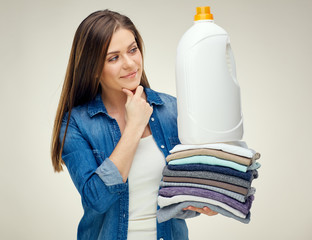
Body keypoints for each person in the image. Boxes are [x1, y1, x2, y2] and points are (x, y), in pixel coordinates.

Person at [51, 9, 217, 240]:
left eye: (132, 50)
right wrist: (134, 127)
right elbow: (96, 200)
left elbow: (181, 197)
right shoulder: (76, 123)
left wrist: (205, 201)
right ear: (93, 68)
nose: (130, 64)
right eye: (114, 57)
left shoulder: (171, 110)